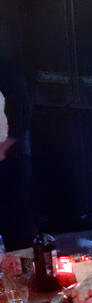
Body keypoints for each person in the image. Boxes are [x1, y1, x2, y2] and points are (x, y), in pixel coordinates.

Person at [0, 53, 32, 249]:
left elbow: (21, 113)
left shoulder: (6, 70)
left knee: (15, 228)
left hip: (8, 163)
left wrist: (5, 146)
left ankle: (24, 276)